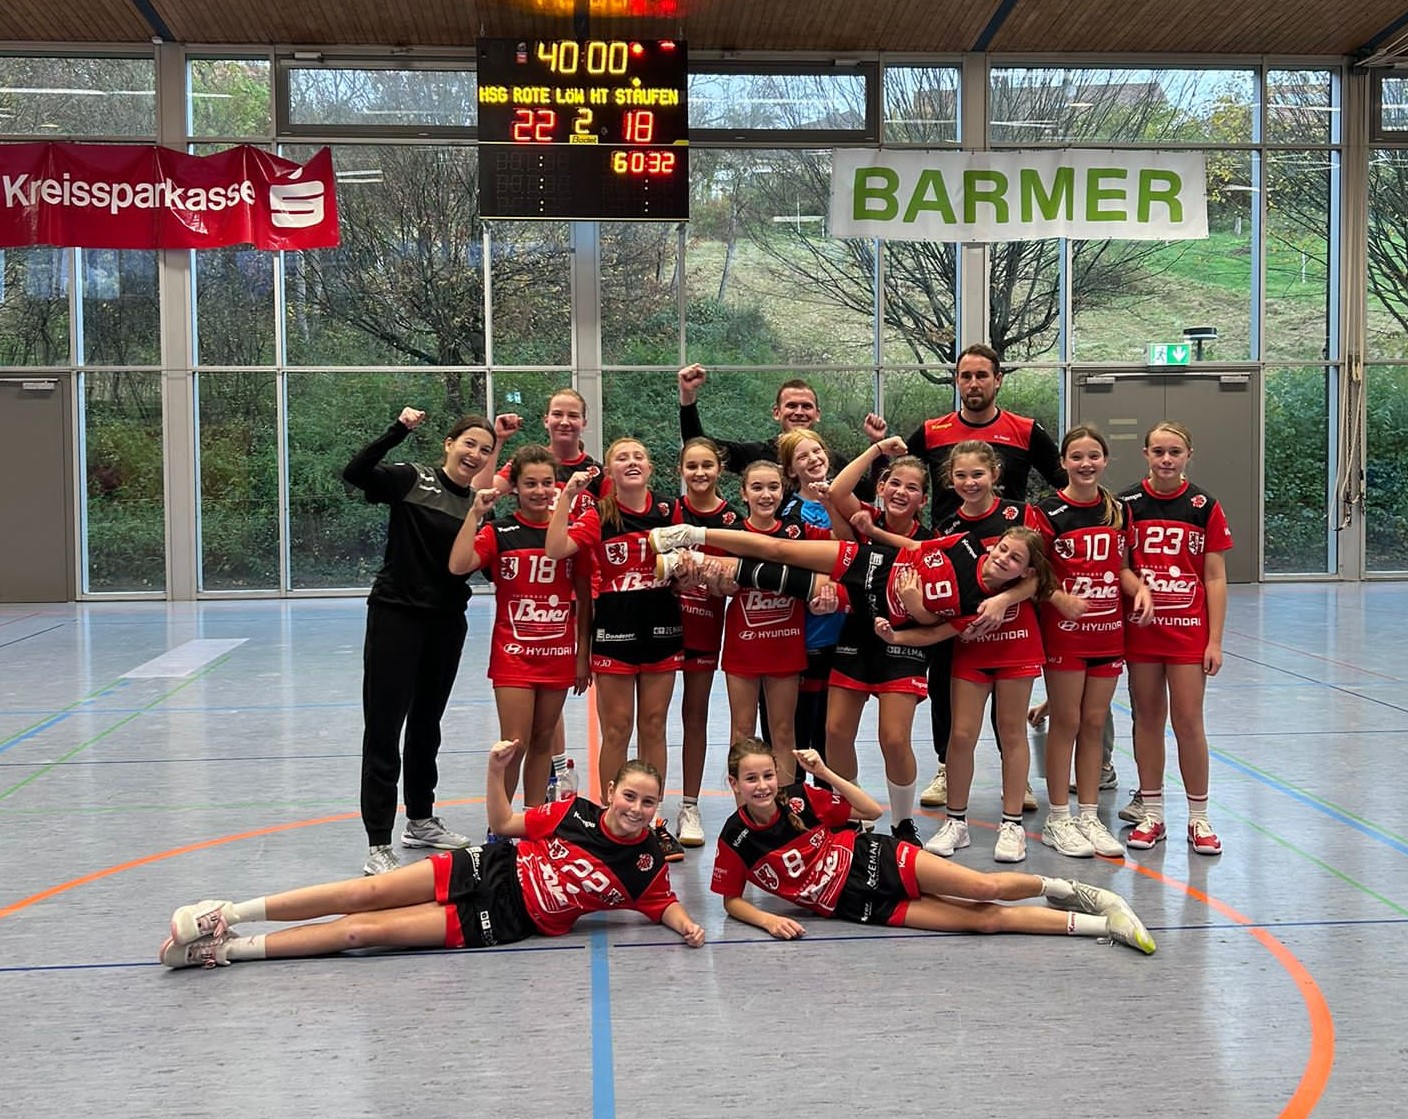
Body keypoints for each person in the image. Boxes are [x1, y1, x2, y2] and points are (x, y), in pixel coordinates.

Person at [159, 741, 705, 970]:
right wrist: (495, 772)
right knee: (367, 892)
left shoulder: (644, 863)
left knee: (361, 932)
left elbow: (661, 904)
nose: (636, 809)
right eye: (629, 796)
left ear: (657, 807)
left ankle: (228, 950)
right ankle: (227, 912)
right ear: (611, 791)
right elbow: (503, 826)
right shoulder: (573, 812)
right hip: (490, 866)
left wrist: (687, 927)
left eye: (648, 802)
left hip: (507, 918)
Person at [710, 739, 1155, 953]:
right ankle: (1104, 926)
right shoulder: (735, 838)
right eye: (751, 779)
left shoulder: (800, 799)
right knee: (984, 922)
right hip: (859, 905)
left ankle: (1078, 892)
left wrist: (824, 773)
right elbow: (732, 901)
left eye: (767, 775)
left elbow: (870, 811)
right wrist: (768, 920)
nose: (762, 785)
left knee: (982, 888)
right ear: (734, 784)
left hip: (877, 860)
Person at [899, 344, 1066, 811]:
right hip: (950, 570)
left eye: (981, 375)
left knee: (1008, 683)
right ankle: (946, 766)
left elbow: (1062, 483)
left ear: (998, 380)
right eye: (965, 376)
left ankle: (1017, 778)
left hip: (1008, 571)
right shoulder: (932, 432)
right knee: (946, 680)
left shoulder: (1025, 430)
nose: (973, 383)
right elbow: (896, 477)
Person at [341, 407, 500, 877]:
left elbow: (489, 565)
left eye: (484, 449)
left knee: (427, 724)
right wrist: (398, 430)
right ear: (449, 444)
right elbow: (355, 472)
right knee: (384, 727)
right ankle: (377, 842)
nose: (475, 454)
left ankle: (420, 819)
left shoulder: (479, 507)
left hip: (447, 622)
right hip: (396, 616)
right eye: (468, 443)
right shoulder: (412, 479)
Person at [545, 438, 687, 859]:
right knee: (617, 729)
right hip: (615, 632)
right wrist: (567, 498)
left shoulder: (669, 510)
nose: (631, 462)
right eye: (622, 457)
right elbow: (556, 549)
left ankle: (652, 823)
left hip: (662, 629)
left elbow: (687, 564)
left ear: (650, 467)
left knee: (655, 725)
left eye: (638, 456)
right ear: (609, 472)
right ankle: (610, 822)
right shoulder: (599, 514)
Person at [1029, 426, 1153, 859]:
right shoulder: (1046, 512)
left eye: (1094, 456)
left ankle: (1088, 814)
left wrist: (1139, 589)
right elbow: (1031, 573)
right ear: (1063, 462)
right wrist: (1059, 597)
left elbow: (1121, 567)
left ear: (1105, 460)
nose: (1085, 464)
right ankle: (1058, 817)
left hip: (1108, 632)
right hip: (1065, 635)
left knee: (1095, 723)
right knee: (1066, 720)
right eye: (1077, 457)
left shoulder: (1117, 510)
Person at [447, 445, 592, 808]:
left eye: (546, 483)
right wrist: (474, 514)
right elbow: (458, 564)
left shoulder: (570, 534)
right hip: (514, 655)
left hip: (558, 653)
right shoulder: (500, 531)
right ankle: (500, 823)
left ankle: (533, 818)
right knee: (514, 743)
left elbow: (585, 598)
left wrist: (582, 656)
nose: (539, 491)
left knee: (543, 741)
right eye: (530, 483)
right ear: (515, 487)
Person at [1118, 422, 1233, 855]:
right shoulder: (1126, 505)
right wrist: (1139, 590)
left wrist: (1214, 640)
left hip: (1187, 632)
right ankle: (1152, 814)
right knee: (1147, 719)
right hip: (1142, 632)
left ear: (1188, 455)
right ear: (1146, 454)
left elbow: (1215, 577)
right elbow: (1120, 566)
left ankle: (1199, 818)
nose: (1166, 459)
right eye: (1158, 451)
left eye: (1175, 452)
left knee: (1188, 721)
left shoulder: (1204, 506)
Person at [815, 435, 935, 845]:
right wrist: (878, 449)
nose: (901, 492)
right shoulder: (865, 517)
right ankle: (853, 815)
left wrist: (875, 535)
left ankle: (903, 823)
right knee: (835, 731)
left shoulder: (929, 539)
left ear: (922, 499)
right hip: (856, 635)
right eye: (894, 483)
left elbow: (921, 557)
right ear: (881, 487)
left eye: (912, 487)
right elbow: (837, 491)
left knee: (894, 738)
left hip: (903, 641)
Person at [717, 460, 833, 788]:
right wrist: (719, 584)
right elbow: (711, 582)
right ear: (743, 494)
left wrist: (830, 500)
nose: (766, 495)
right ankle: (743, 808)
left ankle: (783, 808)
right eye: (757, 488)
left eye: (773, 487)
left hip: (785, 644)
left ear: (783, 492)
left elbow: (841, 548)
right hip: (743, 645)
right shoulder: (732, 535)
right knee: (742, 731)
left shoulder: (798, 534)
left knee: (783, 732)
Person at [667, 437, 740, 847]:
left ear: (720, 470)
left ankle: (689, 806)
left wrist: (718, 583)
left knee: (694, 715)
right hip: (661, 628)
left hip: (704, 627)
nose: (699, 473)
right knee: (651, 720)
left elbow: (739, 579)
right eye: (691, 465)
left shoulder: (732, 520)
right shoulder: (668, 512)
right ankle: (647, 805)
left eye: (707, 465)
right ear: (680, 469)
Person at [677, 363, 886, 487]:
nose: (799, 412)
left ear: (817, 415)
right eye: (791, 406)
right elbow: (698, 445)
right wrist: (688, 396)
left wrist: (877, 444)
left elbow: (870, 491)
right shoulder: (755, 454)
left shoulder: (831, 461)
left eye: (806, 406)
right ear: (777, 413)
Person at [776, 430, 845, 766]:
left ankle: (830, 792)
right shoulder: (791, 511)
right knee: (802, 725)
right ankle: (798, 792)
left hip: (843, 628)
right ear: (791, 470)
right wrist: (816, 591)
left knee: (834, 728)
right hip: (808, 629)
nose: (813, 459)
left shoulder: (844, 499)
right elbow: (794, 562)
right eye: (802, 457)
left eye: (817, 451)